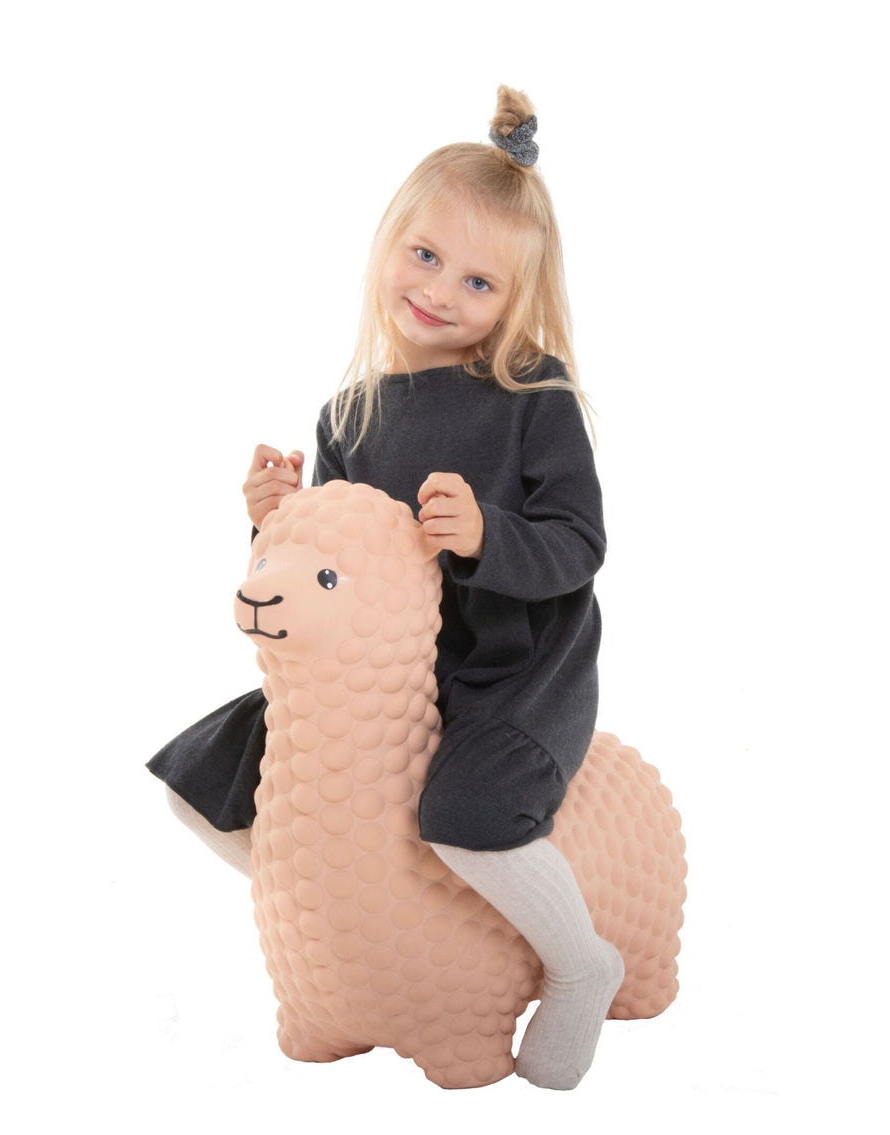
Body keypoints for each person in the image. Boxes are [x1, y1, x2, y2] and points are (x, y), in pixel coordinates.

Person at [149, 85, 623, 1090]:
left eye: (480, 282)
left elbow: (580, 543)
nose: (442, 291)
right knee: (205, 779)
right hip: (395, 677)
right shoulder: (350, 414)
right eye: (425, 256)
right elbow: (337, 568)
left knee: (464, 808)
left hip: (509, 670)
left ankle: (580, 958)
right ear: (388, 244)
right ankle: (360, 902)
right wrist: (275, 515)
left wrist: (491, 535)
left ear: (518, 304)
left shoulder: (533, 399)